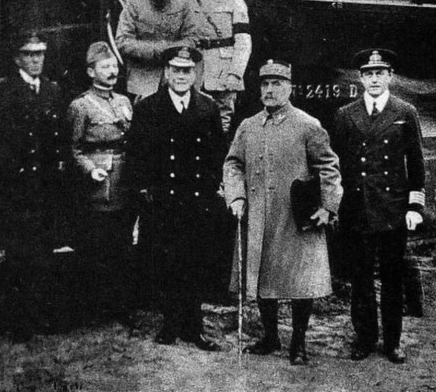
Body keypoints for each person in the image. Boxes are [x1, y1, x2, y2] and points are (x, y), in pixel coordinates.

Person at [223, 59, 343, 365]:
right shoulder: (248, 126)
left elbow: (329, 167)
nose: (270, 90)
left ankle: (299, 344)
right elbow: (233, 163)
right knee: (264, 281)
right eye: (265, 84)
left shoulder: (307, 124)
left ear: (290, 87)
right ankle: (270, 337)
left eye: (277, 83)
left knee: (300, 283)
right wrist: (235, 196)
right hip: (259, 218)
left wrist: (328, 207)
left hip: (296, 217)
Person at [127, 46, 227, 349]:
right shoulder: (148, 108)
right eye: (175, 70)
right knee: (167, 263)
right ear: (166, 72)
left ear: (194, 74)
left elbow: (217, 154)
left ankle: (193, 328)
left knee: (195, 263)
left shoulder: (207, 108)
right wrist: (144, 189)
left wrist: (213, 187)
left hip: (197, 199)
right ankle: (170, 326)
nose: (181, 76)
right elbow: (136, 154)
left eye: (187, 71)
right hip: (164, 201)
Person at [333, 48, 426, 364]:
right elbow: (339, 165)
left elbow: (416, 163)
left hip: (392, 209)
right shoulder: (345, 115)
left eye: (380, 73)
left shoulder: (405, 112)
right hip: (357, 209)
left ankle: (393, 342)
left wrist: (414, 207)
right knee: (360, 278)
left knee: (392, 277)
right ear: (360, 78)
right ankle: (364, 338)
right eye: (368, 74)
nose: (374, 79)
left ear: (390, 77)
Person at [0, 31, 67, 340]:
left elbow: (56, 139)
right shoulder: (2, 92)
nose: (36, 59)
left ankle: (39, 315)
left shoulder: (52, 90)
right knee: (17, 255)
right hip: (15, 187)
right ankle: (17, 321)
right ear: (17, 57)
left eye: (41, 53)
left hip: (43, 186)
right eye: (30, 54)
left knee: (43, 253)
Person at [66, 41, 134, 322]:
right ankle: (92, 308)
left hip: (124, 182)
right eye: (105, 66)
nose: (112, 70)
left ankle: (120, 307)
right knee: (96, 246)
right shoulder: (80, 106)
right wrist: (88, 169)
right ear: (91, 72)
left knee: (122, 245)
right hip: (99, 185)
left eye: (114, 66)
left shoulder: (124, 102)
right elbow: (73, 148)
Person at [189, 0, 251, 135]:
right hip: (196, 69)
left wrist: (235, 73)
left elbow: (243, 41)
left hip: (224, 70)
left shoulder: (234, 0)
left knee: (222, 124)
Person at [115, 0, 198, 100]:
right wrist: (154, 50)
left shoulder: (184, 4)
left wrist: (171, 50)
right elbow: (122, 41)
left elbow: (192, 38)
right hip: (142, 78)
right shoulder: (134, 4)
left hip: (175, 76)